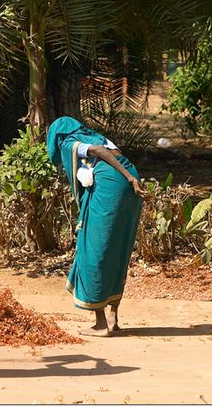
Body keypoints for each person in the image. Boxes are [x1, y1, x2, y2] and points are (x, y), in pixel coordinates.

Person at [47, 116, 146, 337]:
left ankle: (101, 324)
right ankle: (113, 316)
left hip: (116, 184)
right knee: (117, 247)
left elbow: (99, 151)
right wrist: (131, 177)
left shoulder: (70, 142)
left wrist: (129, 178)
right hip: (127, 184)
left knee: (94, 250)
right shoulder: (94, 134)